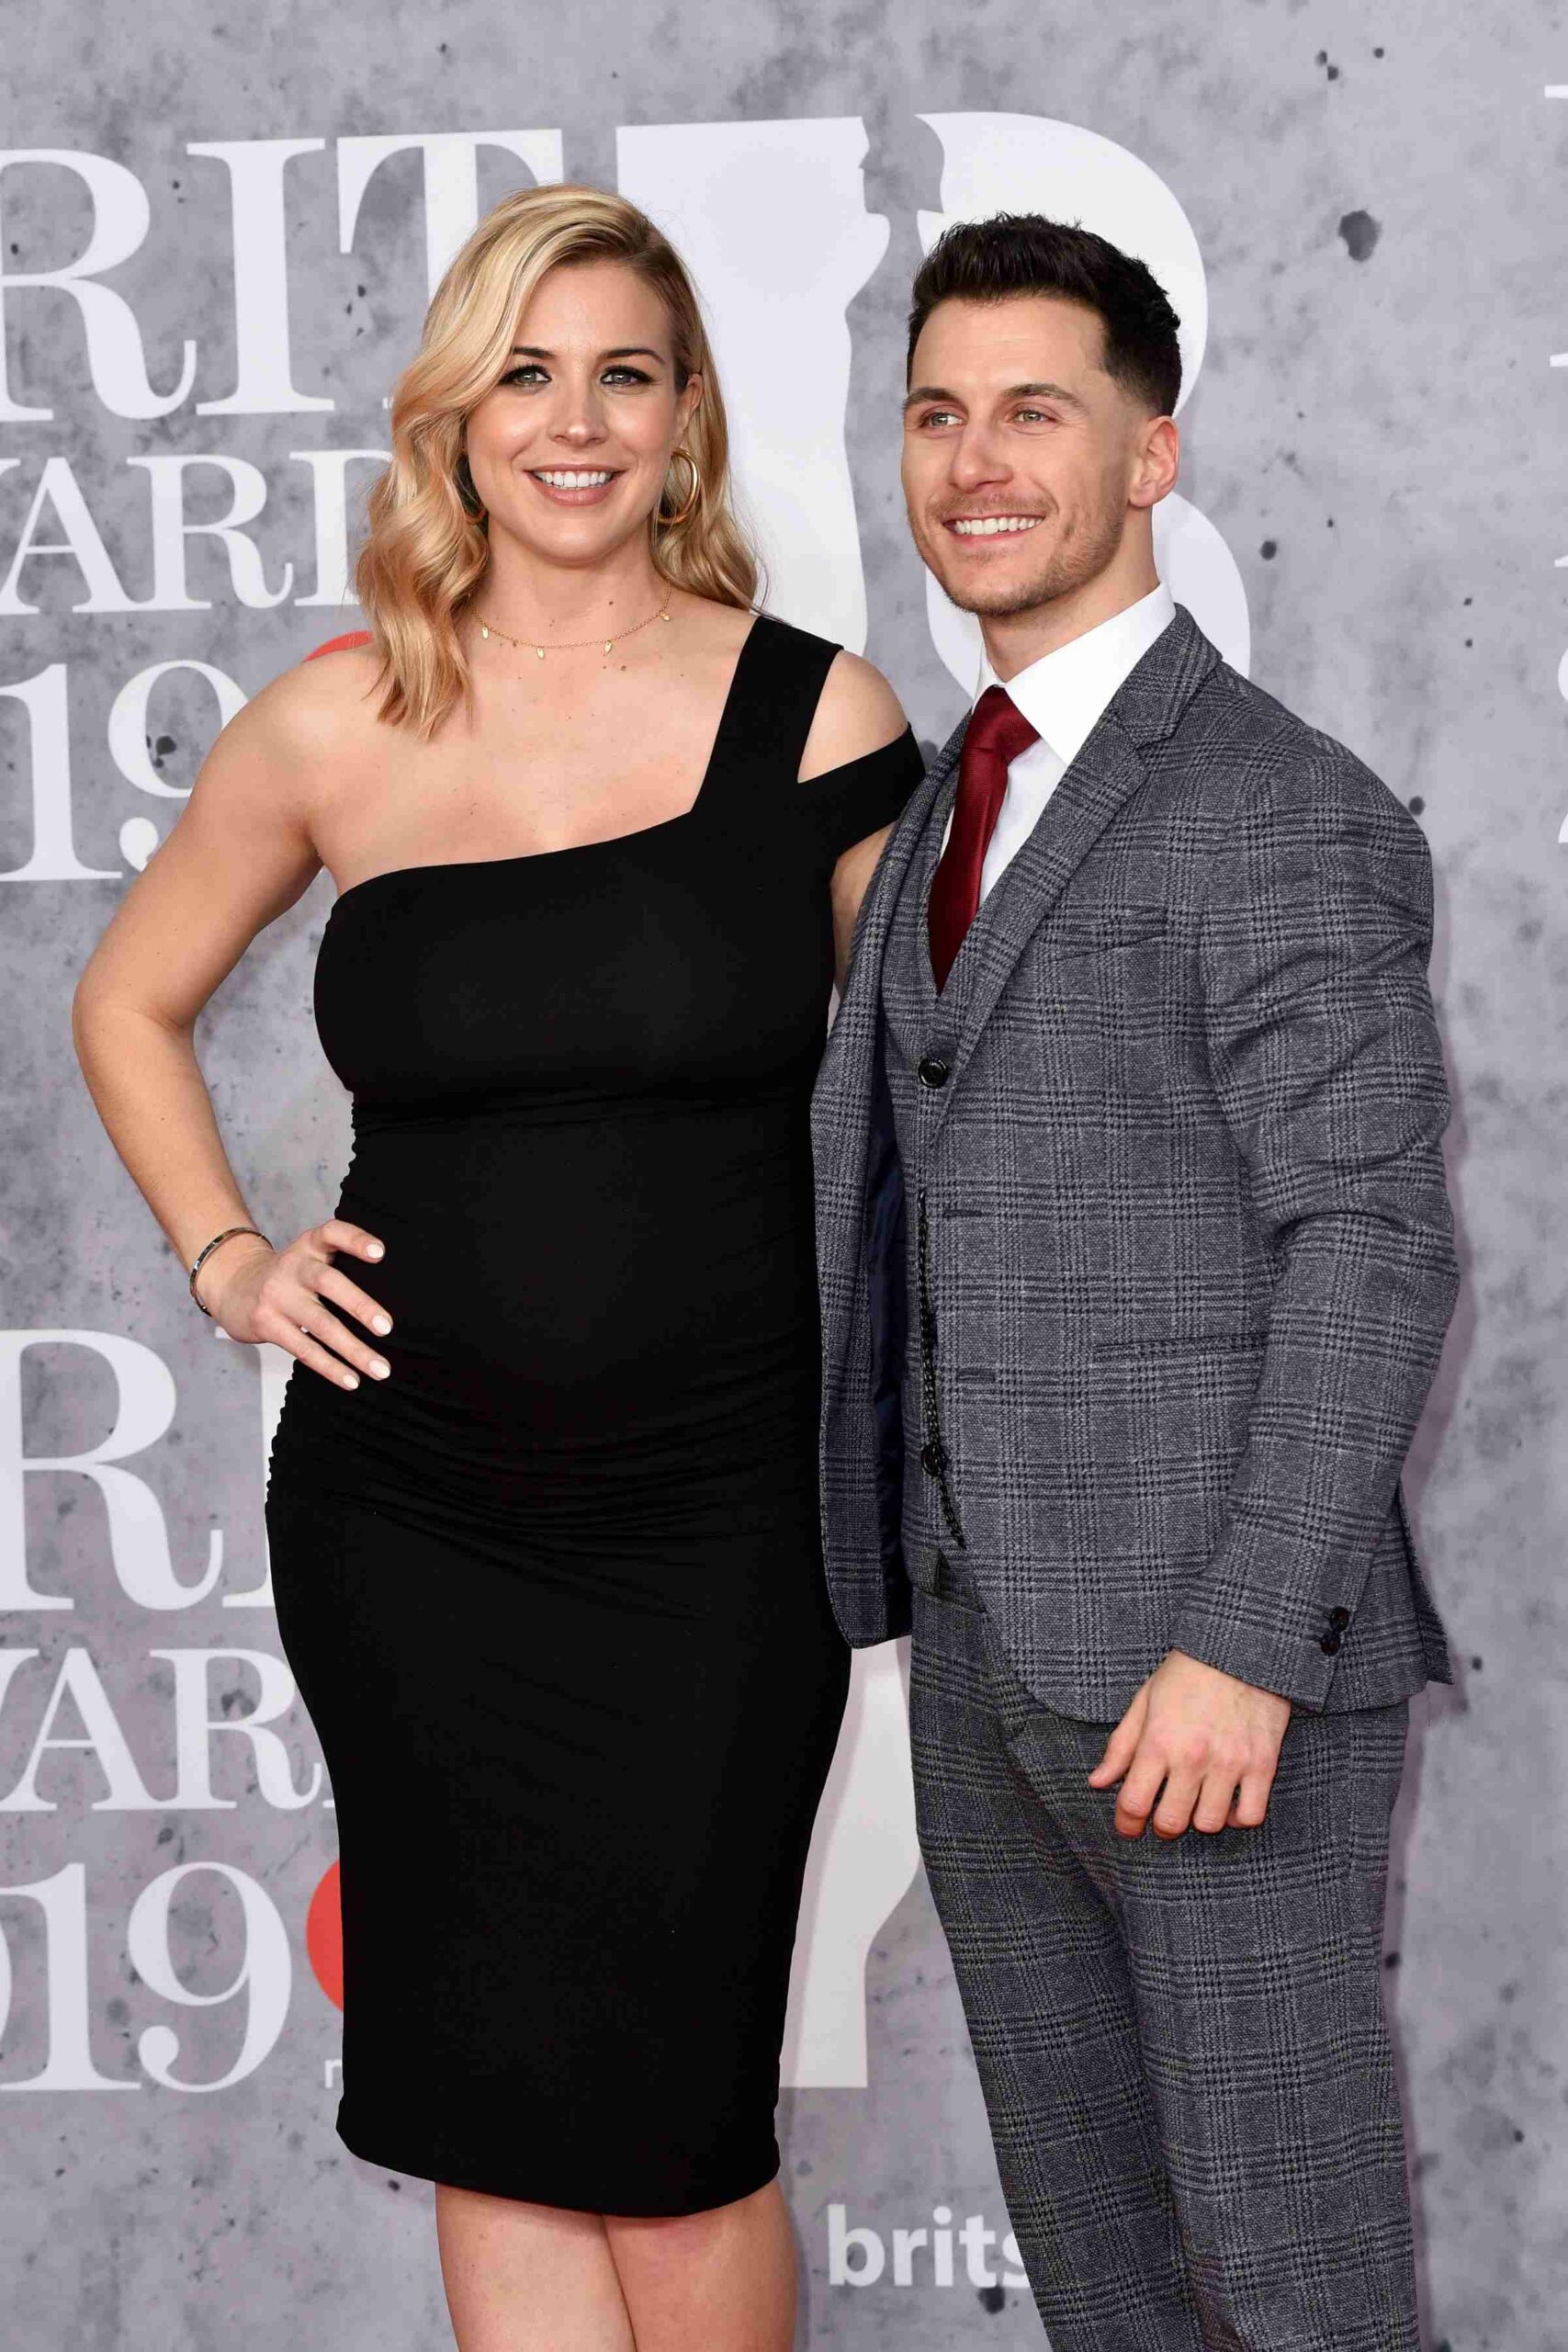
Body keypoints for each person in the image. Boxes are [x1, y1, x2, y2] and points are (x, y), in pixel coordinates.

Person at [72, 182, 922, 2352]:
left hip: (717, 1526)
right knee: (500, 2110)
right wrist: (229, 1254)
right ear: (451, 416)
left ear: (682, 418)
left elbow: (940, 1114)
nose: (574, 420)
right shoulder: (339, 722)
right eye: (525, 372)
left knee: (677, 2131)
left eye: (622, 371)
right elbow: (125, 998)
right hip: (413, 1519)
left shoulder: (814, 722)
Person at [813, 211, 1459, 2348]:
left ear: (1150, 455)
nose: (971, 460)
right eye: (933, 412)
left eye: (1032, 411)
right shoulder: (949, 801)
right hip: (987, 1667)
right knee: (1108, 2291)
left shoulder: (1276, 807)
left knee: (1294, 2287)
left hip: (1213, 1686)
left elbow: (1366, 1240)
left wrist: (1244, 1639)